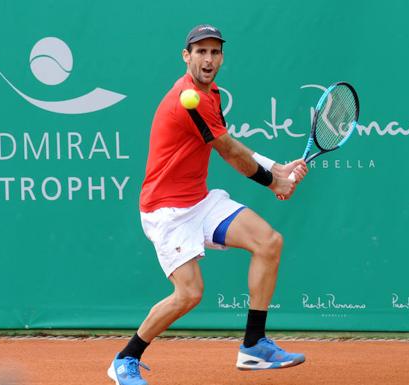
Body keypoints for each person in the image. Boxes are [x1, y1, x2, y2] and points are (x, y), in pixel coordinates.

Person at [107, 24, 308, 385]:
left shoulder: (210, 93)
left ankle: (254, 346)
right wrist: (272, 181)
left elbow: (229, 140)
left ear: (221, 57)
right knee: (189, 293)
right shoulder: (190, 98)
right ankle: (125, 359)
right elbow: (229, 152)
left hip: (198, 200)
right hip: (165, 211)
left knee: (269, 242)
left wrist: (276, 166)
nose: (208, 58)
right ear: (186, 57)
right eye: (201, 51)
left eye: (215, 52)